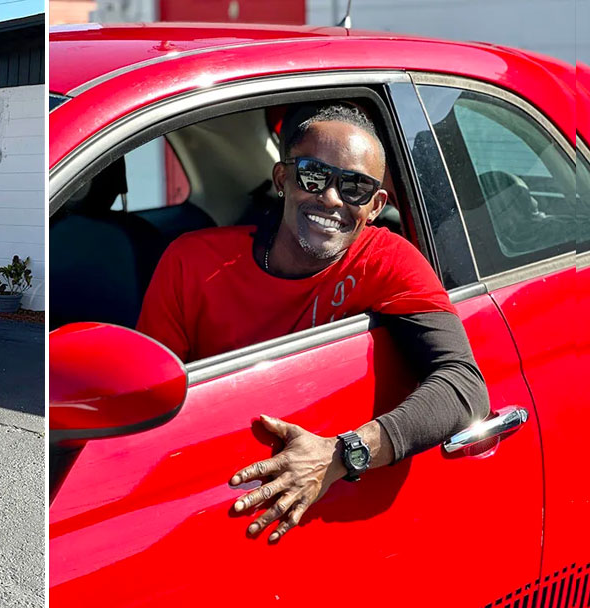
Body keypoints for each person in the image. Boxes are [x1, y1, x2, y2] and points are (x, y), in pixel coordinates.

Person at [136, 103, 489, 542]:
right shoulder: (191, 263)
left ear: (377, 205)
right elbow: (141, 409)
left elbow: (463, 386)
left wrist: (344, 453)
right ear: (282, 179)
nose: (332, 199)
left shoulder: (385, 260)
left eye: (356, 187)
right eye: (314, 176)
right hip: (202, 496)